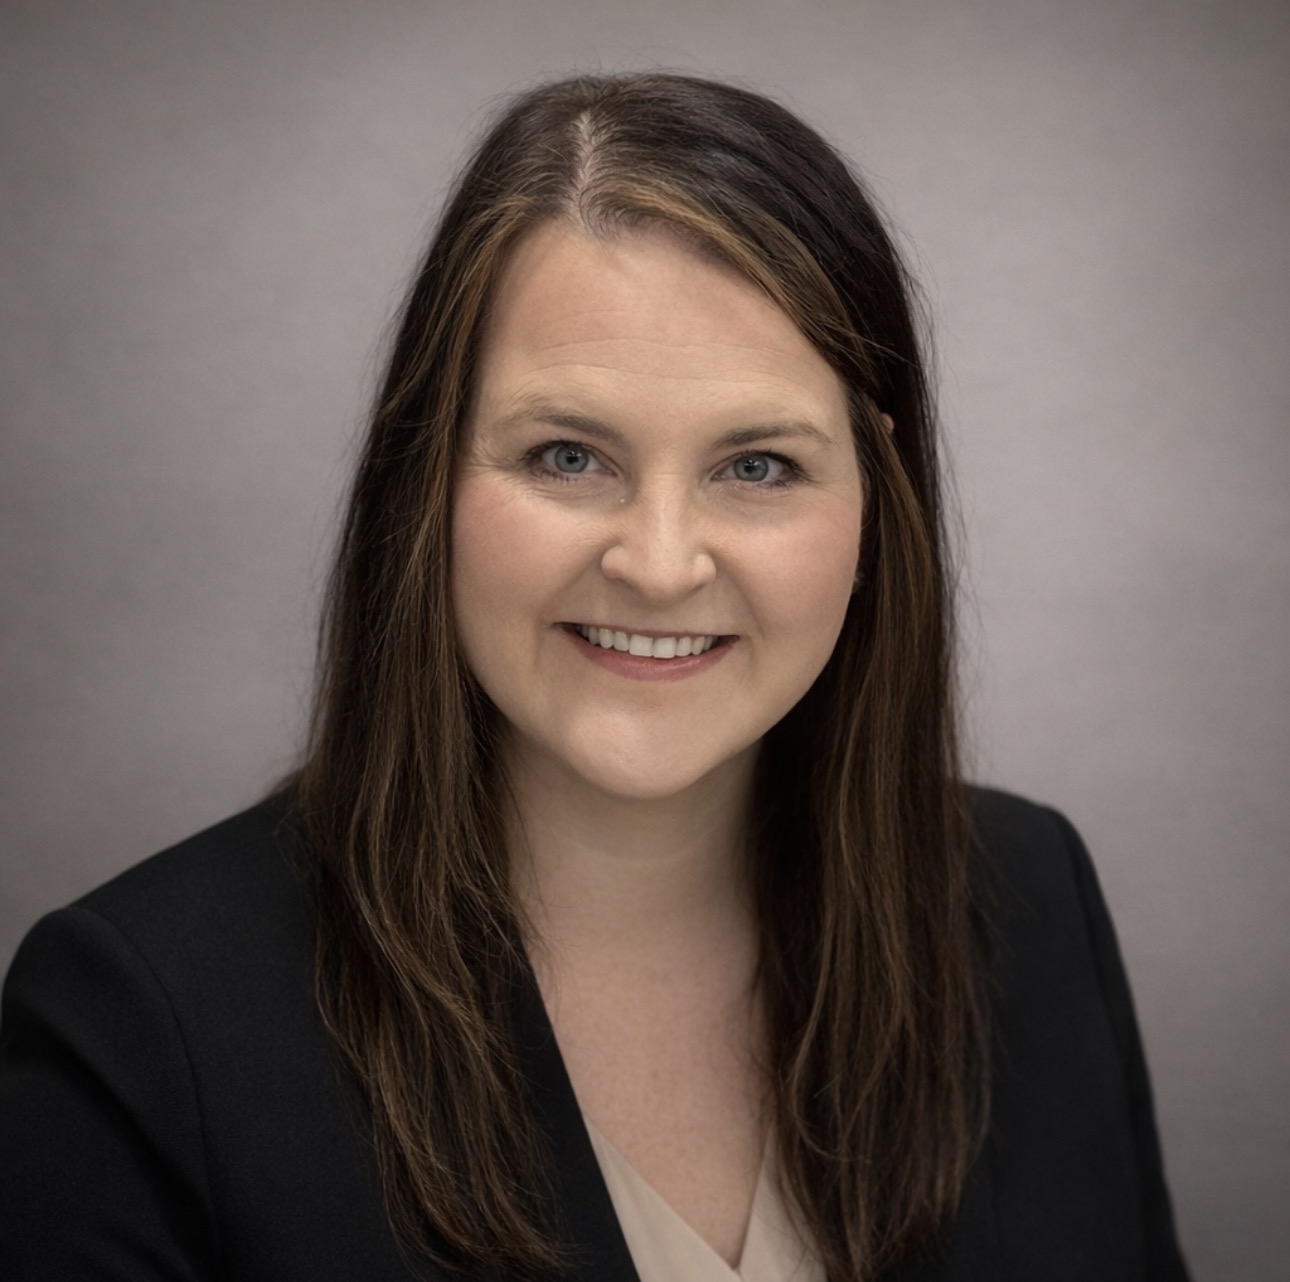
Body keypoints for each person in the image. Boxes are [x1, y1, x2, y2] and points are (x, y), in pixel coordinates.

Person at [0, 73, 1189, 1281]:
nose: (660, 564)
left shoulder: (1031, 904)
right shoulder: (141, 1020)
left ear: (878, 489)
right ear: (429, 475)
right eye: (568, 455)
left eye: (761, 465)